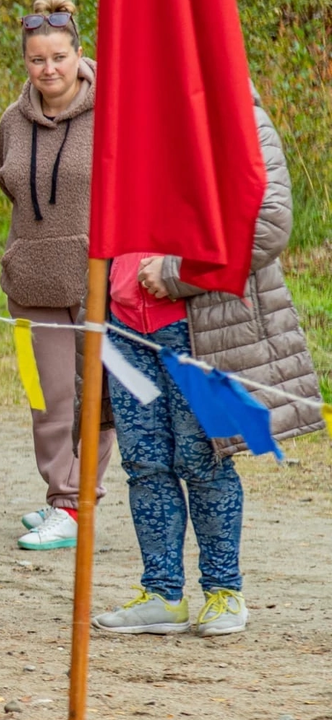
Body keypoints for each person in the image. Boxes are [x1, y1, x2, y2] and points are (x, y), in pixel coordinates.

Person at [94, 88, 324, 637]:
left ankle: (224, 592)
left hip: (198, 327)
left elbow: (266, 225)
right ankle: (161, 594)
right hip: (126, 326)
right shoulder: (130, 115)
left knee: (204, 459)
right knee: (145, 462)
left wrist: (175, 273)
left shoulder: (242, 118)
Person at [0, 0, 113, 551]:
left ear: (78, 53)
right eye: (38, 60)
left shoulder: (113, 112)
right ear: (26, 62)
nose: (49, 69)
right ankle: (61, 496)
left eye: (59, 57)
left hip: (97, 283)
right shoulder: (12, 122)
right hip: (31, 282)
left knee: (97, 397)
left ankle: (77, 501)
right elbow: (6, 180)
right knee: (47, 398)